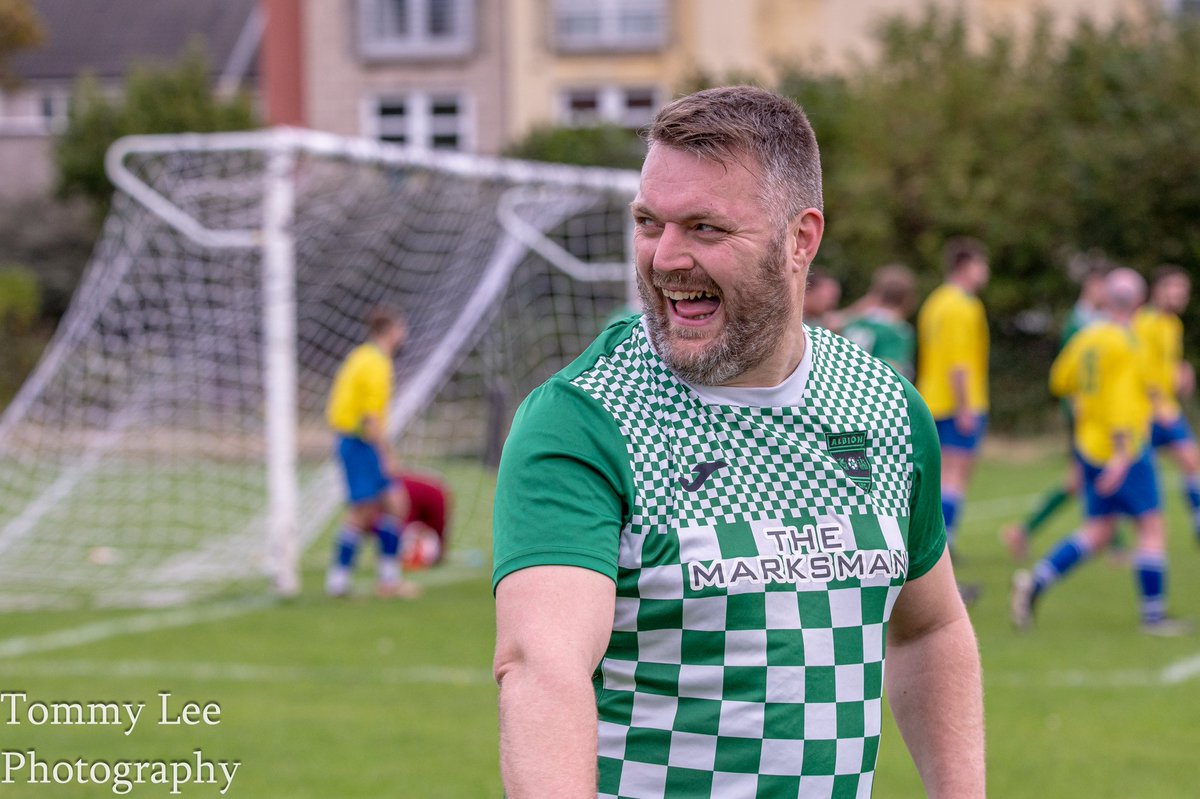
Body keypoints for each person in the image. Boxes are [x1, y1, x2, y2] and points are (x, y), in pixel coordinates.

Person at [492, 86, 983, 798]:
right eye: (648, 222)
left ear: (800, 239)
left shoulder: (887, 410)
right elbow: (543, 668)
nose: (665, 258)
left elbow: (929, 628)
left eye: (704, 228)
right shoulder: (585, 419)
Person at [1011, 268, 1186, 636]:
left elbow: (1061, 380)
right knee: (1152, 527)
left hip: (1089, 446)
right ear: (1138, 302)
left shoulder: (1089, 337)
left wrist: (1086, 406)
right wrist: (1123, 456)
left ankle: (1035, 582)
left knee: (1099, 531)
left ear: (1107, 299)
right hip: (1123, 449)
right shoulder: (1127, 342)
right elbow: (1121, 402)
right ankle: (1154, 617)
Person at [1001, 265, 1108, 561]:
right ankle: (1108, 541)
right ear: (1092, 285)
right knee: (1089, 475)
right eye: (1103, 286)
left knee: (1083, 478)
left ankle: (1024, 531)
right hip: (1082, 414)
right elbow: (1067, 374)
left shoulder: (1099, 321)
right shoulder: (1079, 323)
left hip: (1098, 414)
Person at [324, 306, 420, 599]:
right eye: (401, 329)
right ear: (390, 331)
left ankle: (387, 579)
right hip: (360, 443)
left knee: (395, 503)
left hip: (351, 440)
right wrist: (387, 454)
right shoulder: (377, 364)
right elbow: (371, 420)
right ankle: (339, 581)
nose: (403, 335)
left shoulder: (360, 356)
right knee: (362, 511)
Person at [916, 237, 990, 554]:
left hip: (930, 398)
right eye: (980, 264)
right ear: (965, 266)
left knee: (940, 476)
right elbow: (959, 364)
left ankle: (937, 540)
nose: (985, 271)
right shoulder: (963, 305)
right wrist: (965, 407)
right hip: (957, 401)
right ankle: (945, 543)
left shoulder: (935, 301)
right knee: (956, 474)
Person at [1134, 265, 1200, 541]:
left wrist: (1182, 371)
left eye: (1185, 290)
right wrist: (1158, 403)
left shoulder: (1173, 324)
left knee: (1192, 460)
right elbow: (1139, 370)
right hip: (1146, 413)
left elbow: (1166, 365)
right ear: (1158, 290)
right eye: (1176, 288)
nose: (1182, 294)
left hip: (1167, 409)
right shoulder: (1143, 322)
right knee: (1141, 479)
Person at [841, 263, 918, 379]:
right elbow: (891, 371)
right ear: (908, 298)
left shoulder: (854, 322)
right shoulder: (898, 330)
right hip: (869, 390)